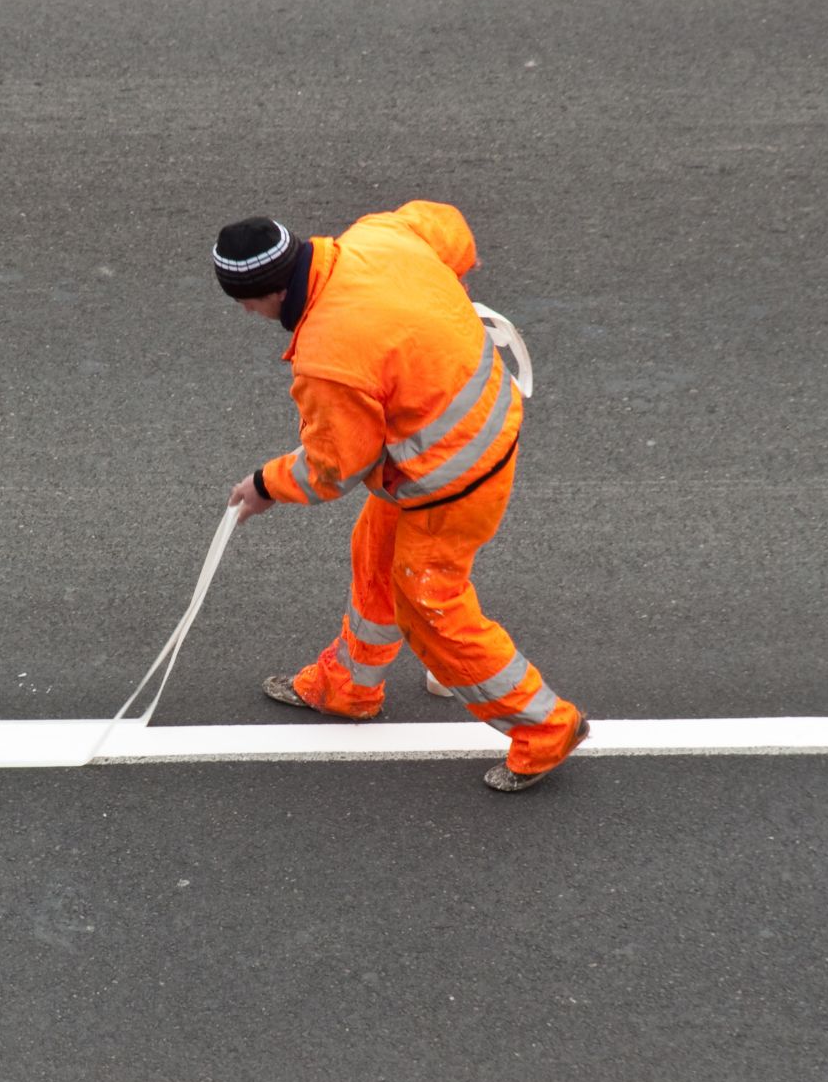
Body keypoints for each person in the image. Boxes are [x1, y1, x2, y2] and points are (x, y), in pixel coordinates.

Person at [216, 203, 588, 793]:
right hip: (463, 430)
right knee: (376, 557)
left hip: (449, 479)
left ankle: (545, 728)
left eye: (246, 303)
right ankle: (349, 687)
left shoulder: (329, 358)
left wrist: (264, 485)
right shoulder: (378, 236)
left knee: (429, 604)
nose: (245, 313)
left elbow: (336, 466)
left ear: (272, 291)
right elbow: (450, 229)